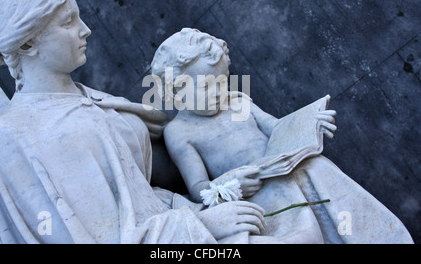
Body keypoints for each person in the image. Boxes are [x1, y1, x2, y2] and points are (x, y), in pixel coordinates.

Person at [0, 0, 269, 244]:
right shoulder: (12, 136)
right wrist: (200, 225)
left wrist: (219, 188)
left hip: (181, 214)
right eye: (68, 22)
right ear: (28, 43)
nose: (85, 29)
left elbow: (151, 188)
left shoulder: (90, 98)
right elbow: (90, 235)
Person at [151, 28, 414, 244]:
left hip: (292, 168)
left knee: (321, 175)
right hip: (258, 193)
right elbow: (197, 188)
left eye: (223, 82)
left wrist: (309, 123)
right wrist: (230, 185)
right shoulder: (179, 132)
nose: (220, 92)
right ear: (177, 92)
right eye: (208, 87)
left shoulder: (238, 101)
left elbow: (278, 127)